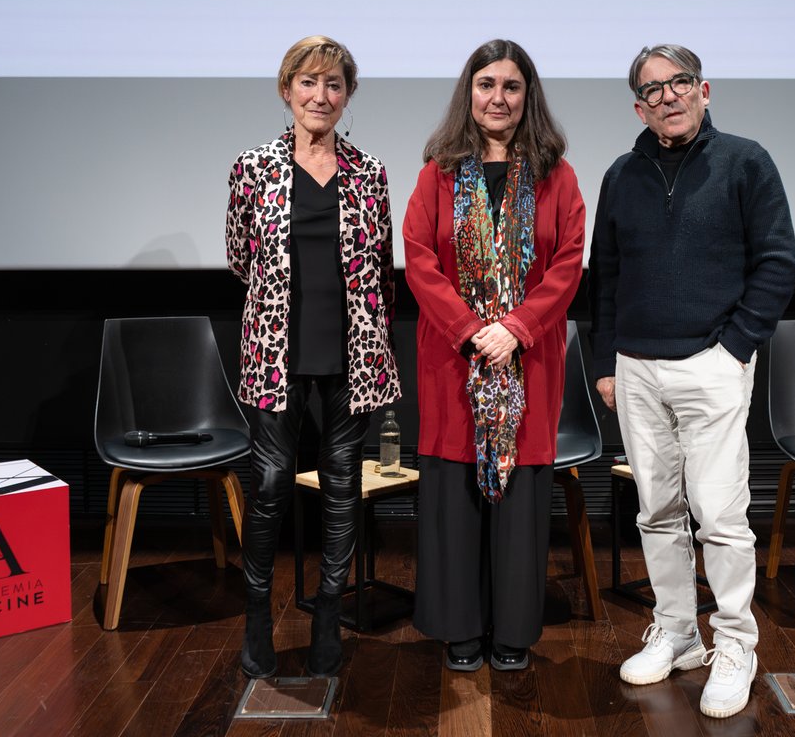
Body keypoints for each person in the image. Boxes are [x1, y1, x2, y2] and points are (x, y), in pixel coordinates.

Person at [589, 44, 795, 718]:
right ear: (639, 108)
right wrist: (605, 362)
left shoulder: (745, 161)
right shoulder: (622, 174)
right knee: (655, 510)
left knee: (720, 516)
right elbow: (606, 275)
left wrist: (733, 349)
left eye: (679, 83)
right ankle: (678, 632)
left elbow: (779, 264)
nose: (668, 97)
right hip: (636, 368)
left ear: (703, 90)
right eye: (652, 90)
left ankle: (735, 644)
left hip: (712, 363)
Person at [403, 39, 585, 673]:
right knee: (454, 497)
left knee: (521, 501)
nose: (498, 98)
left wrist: (516, 329)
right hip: (453, 359)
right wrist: (471, 330)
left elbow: (567, 265)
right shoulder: (438, 173)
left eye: (511, 86)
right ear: (469, 93)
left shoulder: (558, 175)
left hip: (527, 363)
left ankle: (511, 633)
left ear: (528, 96)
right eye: (486, 85)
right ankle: (460, 631)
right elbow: (419, 260)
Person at [225, 35, 401, 679]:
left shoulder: (370, 172)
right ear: (286, 90)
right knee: (272, 483)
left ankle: (329, 615)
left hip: (354, 354)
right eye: (308, 82)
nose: (320, 95)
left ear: (347, 96)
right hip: (277, 354)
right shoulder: (252, 168)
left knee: (342, 482)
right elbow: (240, 258)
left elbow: (382, 267)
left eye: (333, 84)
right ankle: (257, 619)